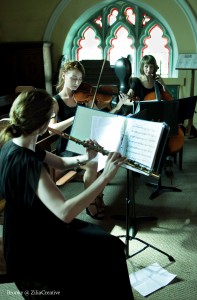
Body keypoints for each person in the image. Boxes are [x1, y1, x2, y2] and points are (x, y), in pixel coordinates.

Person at [0, 89, 134, 299]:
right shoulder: (27, 163)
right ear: (43, 125)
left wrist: (86, 156)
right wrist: (105, 177)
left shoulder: (16, 144)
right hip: (31, 247)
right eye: (52, 117)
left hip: (33, 225)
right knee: (110, 250)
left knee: (109, 245)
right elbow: (65, 212)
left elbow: (62, 162)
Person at [50, 60, 128, 220]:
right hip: (67, 148)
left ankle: (98, 196)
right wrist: (74, 117)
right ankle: (90, 204)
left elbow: (101, 117)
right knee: (93, 164)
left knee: (107, 159)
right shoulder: (55, 101)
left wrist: (118, 106)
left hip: (85, 144)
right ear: (64, 75)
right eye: (73, 78)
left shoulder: (84, 98)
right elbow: (52, 130)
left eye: (80, 79)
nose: (77, 83)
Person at [125, 54, 184, 174]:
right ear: (143, 67)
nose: (149, 70)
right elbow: (128, 98)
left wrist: (163, 85)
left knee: (166, 129)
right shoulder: (136, 81)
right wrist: (133, 100)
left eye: (151, 67)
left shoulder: (157, 81)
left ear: (154, 68)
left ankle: (166, 160)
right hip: (142, 117)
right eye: (146, 66)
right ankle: (139, 163)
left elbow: (168, 99)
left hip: (156, 117)